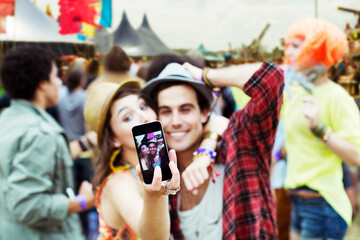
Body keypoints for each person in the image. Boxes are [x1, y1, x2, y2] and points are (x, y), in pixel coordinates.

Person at [142, 60, 284, 239]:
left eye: (185, 109)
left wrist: (205, 76)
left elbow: (272, 79)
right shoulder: (160, 173)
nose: (176, 121)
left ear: (204, 113)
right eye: (166, 111)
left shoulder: (239, 144)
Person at [0, 46, 95, 239]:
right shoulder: (40, 133)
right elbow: (28, 207)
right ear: (42, 83)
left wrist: (85, 143)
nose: (60, 82)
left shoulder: (7, 119)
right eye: (56, 76)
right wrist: (82, 202)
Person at [283, 18, 360, 240]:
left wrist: (319, 130)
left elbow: (356, 155)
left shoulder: (337, 97)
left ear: (315, 50)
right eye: (289, 45)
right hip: (297, 201)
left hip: (323, 205)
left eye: (296, 46)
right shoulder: (295, 92)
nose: (289, 51)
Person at [83, 80, 181, 240]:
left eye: (143, 107)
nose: (144, 117)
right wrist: (155, 195)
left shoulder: (160, 160)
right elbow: (154, 237)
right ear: (113, 139)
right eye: (128, 117)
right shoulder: (118, 183)